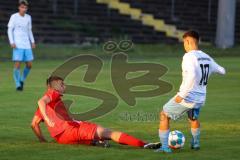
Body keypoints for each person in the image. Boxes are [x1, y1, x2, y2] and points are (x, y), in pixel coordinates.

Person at [31, 76, 160, 149]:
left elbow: (34, 124)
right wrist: (47, 119)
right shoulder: (52, 93)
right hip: (70, 129)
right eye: (61, 84)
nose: (64, 86)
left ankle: (96, 143)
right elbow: (41, 101)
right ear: (52, 87)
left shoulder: (46, 106)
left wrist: (43, 141)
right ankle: (144, 144)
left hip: (61, 139)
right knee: (108, 133)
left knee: (92, 138)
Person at [156, 30, 226, 153]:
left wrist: (182, 95)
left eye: (184, 42)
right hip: (200, 98)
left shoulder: (188, 56)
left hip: (188, 97)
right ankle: (195, 144)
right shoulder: (206, 57)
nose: (184, 45)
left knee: (164, 115)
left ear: (188, 41)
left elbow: (192, 75)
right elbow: (222, 71)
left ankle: (165, 148)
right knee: (193, 118)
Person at [7, 0, 35, 91]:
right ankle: (18, 84)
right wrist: (12, 41)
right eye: (22, 7)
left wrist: (32, 41)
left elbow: (29, 30)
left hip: (27, 44)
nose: (24, 9)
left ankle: (22, 80)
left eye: (25, 8)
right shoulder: (14, 17)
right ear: (19, 7)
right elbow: (10, 30)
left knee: (29, 65)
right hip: (17, 44)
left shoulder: (28, 17)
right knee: (17, 64)